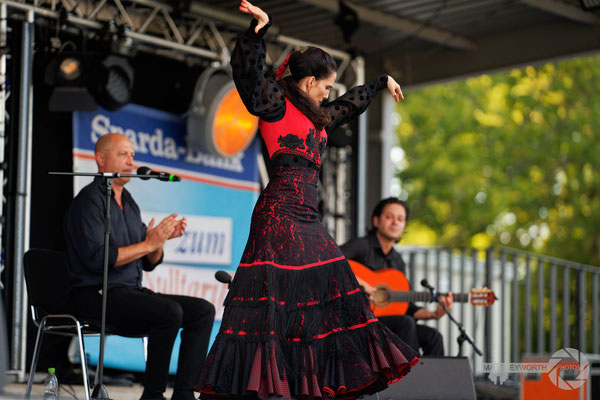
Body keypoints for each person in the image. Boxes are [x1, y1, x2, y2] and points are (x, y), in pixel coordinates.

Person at [196, 2, 418, 399]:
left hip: (307, 218)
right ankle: (266, 389)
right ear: (311, 81)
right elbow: (248, 75)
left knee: (329, 292)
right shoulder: (276, 105)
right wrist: (257, 31)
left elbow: (350, 104)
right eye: (326, 86)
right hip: (277, 215)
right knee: (274, 309)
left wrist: (381, 81)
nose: (329, 93)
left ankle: (307, 388)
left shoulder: (319, 117)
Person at [64, 133, 216, 400]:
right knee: (169, 312)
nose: (130, 161)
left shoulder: (130, 203)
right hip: (96, 295)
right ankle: (153, 395)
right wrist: (149, 243)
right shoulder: (88, 201)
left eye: (132, 155)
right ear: (100, 159)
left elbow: (149, 263)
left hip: (129, 292)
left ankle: (184, 394)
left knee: (203, 310)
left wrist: (159, 241)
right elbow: (99, 260)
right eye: (123, 154)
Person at [340, 198, 454, 356]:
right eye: (389, 217)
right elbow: (331, 262)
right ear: (376, 221)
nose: (395, 222)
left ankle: (432, 380)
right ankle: (411, 377)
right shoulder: (361, 246)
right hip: (355, 322)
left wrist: (434, 314)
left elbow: (407, 307)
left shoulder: (398, 262)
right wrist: (362, 283)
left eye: (400, 219)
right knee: (406, 324)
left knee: (433, 336)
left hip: (384, 323)